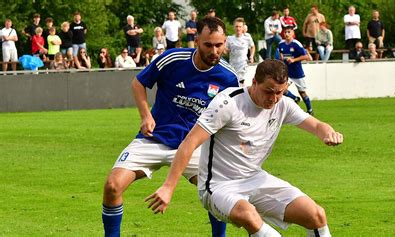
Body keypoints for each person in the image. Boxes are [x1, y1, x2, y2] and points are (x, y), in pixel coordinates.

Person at [146, 59, 343, 237]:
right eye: (269, 91)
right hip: (218, 186)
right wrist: (168, 187)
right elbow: (189, 143)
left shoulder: (283, 104)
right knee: (252, 218)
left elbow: (317, 125)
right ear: (254, 82)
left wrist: (327, 133)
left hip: (255, 178)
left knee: (316, 215)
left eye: (279, 92)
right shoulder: (228, 103)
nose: (273, 99)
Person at [102, 16, 239, 237]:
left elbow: (230, 115)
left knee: (218, 194)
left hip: (194, 147)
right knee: (112, 186)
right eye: (208, 45)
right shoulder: (173, 59)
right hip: (153, 139)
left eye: (219, 45)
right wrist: (146, 115)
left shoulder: (229, 77)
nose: (214, 51)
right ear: (196, 41)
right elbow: (139, 83)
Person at [278, 26, 314, 115]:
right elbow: (281, 55)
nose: (286, 34)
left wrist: (294, 60)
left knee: (302, 92)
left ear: (293, 34)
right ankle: (294, 98)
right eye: (285, 32)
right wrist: (281, 60)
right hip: (287, 73)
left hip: (297, 73)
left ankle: (310, 110)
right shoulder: (281, 44)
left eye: (289, 32)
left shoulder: (296, 44)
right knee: (282, 89)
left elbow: (307, 57)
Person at [226, 17, 255, 86]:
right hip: (233, 65)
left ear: (242, 28)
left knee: (242, 83)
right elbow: (226, 51)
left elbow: (252, 46)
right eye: (236, 26)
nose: (238, 28)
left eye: (240, 27)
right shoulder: (230, 38)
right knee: (234, 84)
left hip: (243, 65)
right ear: (234, 27)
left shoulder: (247, 37)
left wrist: (251, 56)